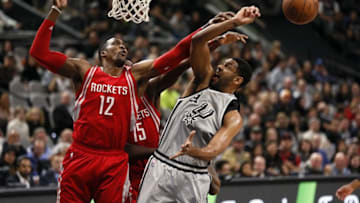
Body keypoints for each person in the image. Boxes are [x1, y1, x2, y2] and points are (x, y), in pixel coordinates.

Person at [29, 0, 213, 202]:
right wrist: (55, 11)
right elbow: (39, 53)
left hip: (114, 159)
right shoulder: (84, 71)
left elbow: (174, 55)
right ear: (103, 53)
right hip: (81, 154)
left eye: (124, 45)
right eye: (116, 44)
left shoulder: (134, 76)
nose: (122, 46)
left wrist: (206, 30)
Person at [137, 6, 260, 203]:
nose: (220, 66)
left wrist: (192, 151)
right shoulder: (201, 81)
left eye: (228, 67)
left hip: (193, 176)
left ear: (237, 81)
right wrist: (232, 23)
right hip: (161, 165)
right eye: (222, 63)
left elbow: (213, 150)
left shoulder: (232, 115)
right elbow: (197, 41)